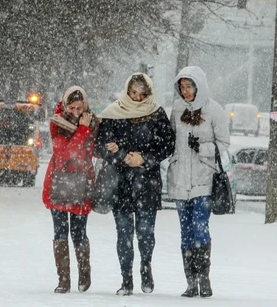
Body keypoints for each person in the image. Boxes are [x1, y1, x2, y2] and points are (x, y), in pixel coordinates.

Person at [94, 73, 175, 296]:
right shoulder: (114, 112)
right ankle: (126, 279)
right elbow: (100, 145)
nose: (138, 98)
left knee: (146, 232)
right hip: (119, 183)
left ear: (149, 93)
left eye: (142, 94)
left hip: (147, 182)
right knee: (123, 232)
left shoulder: (156, 113)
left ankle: (146, 267)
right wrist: (121, 156)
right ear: (127, 91)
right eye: (133, 93)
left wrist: (144, 159)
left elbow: (167, 144)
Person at [167, 66, 230, 298]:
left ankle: (205, 279)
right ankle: (191, 282)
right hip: (180, 178)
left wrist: (202, 148)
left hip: (204, 177)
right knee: (185, 231)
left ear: (199, 86)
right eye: (182, 87)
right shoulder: (176, 108)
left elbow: (224, 143)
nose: (185, 91)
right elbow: (171, 138)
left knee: (200, 226)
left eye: (189, 86)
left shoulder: (214, 110)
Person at [42, 86, 99, 294]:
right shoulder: (58, 123)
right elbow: (66, 154)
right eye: (72, 107)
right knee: (60, 232)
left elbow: (95, 151)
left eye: (80, 107)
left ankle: (84, 275)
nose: (76, 112)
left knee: (79, 232)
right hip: (59, 182)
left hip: (82, 185)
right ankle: (63, 279)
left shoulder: (94, 123)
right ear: (65, 106)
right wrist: (82, 130)